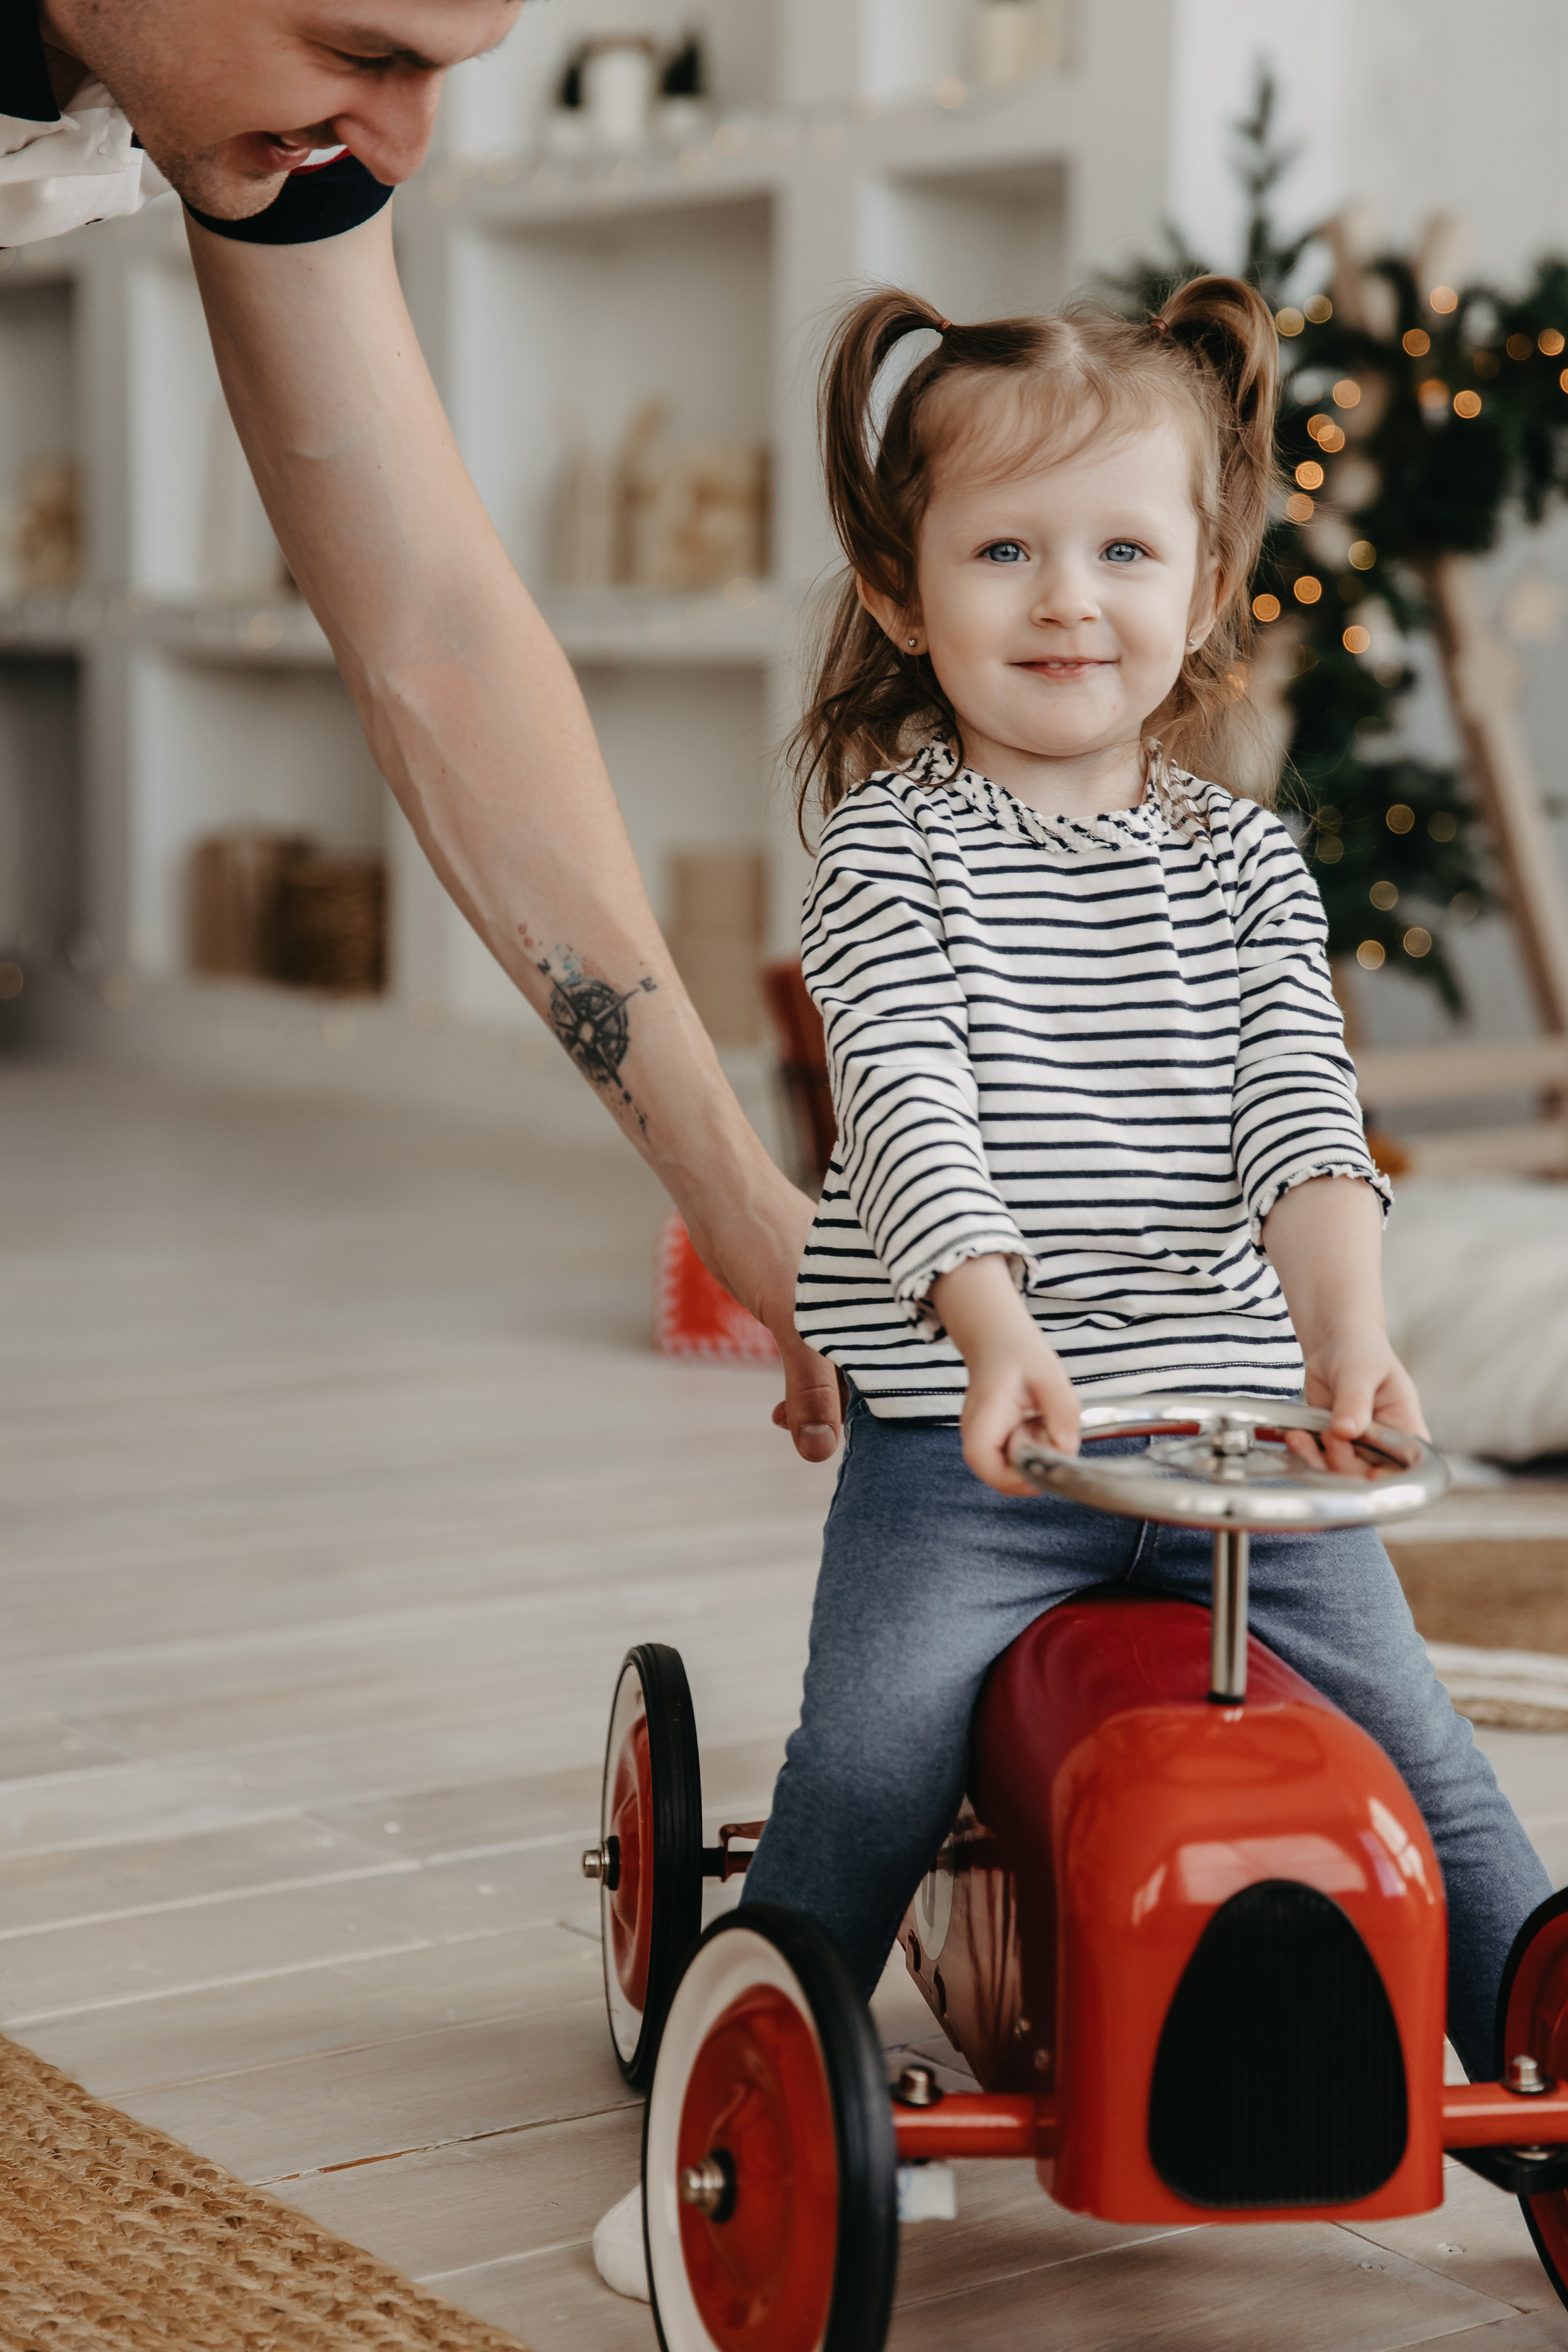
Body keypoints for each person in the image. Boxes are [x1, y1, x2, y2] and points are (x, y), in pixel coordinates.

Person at [590, 269, 1553, 2300]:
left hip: (1232, 1441)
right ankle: (742, 2105)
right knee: (874, 1759)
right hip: (981, 1445)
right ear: (901, 588)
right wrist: (992, 1329)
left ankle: (1535, 2073)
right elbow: (911, 1109)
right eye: (1005, 551)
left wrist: (1351, 1339)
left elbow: (1307, 1130)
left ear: (1203, 591)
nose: (1067, 602)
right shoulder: (891, 859)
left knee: (1426, 1752)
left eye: (1124, 551)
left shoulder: (1248, 867)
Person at [1, 0, 841, 1461]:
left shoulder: (281, 127)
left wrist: (739, 1194)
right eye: (362, 53)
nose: (400, 144)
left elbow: (436, 643)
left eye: (444, 69)